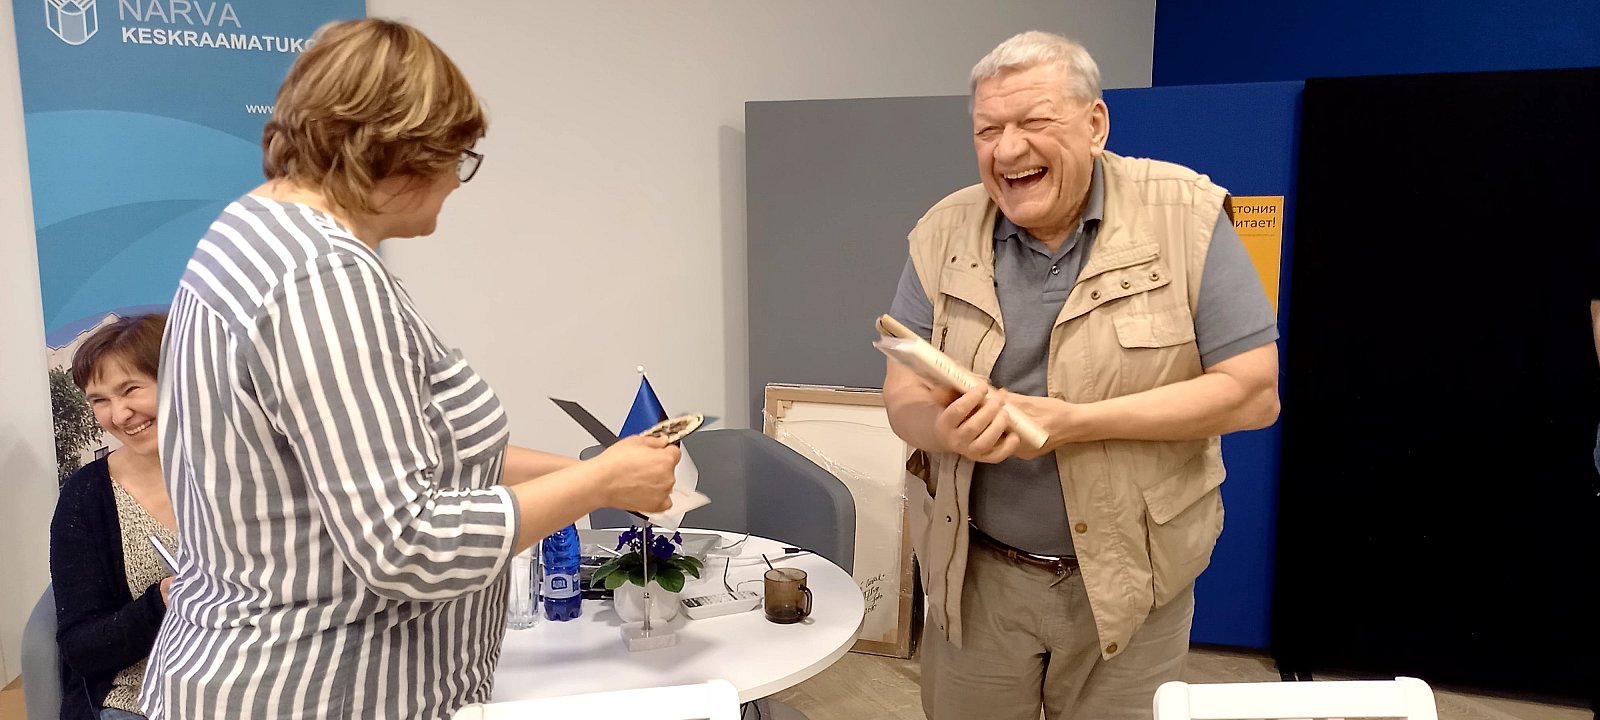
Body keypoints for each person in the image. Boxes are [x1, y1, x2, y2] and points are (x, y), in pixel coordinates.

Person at [139, 19, 680, 719]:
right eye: (456, 156)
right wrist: (601, 483)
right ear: (396, 150)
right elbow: (407, 546)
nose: (457, 180)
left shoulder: (252, 231)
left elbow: (407, 453)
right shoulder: (323, 279)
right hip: (314, 689)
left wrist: (598, 468)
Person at [883, 31, 1281, 720]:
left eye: (1034, 121)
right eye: (988, 130)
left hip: (1132, 583)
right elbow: (901, 396)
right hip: (974, 580)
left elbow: (1253, 394)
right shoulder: (942, 231)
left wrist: (1073, 424)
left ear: (1095, 124)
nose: (1008, 149)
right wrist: (943, 430)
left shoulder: (1186, 216)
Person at [50, 313, 176, 720]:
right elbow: (81, 647)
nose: (119, 415)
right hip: (137, 701)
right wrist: (160, 602)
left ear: (176, 378)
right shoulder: (86, 497)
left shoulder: (239, 471)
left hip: (251, 685)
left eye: (130, 389)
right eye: (99, 400)